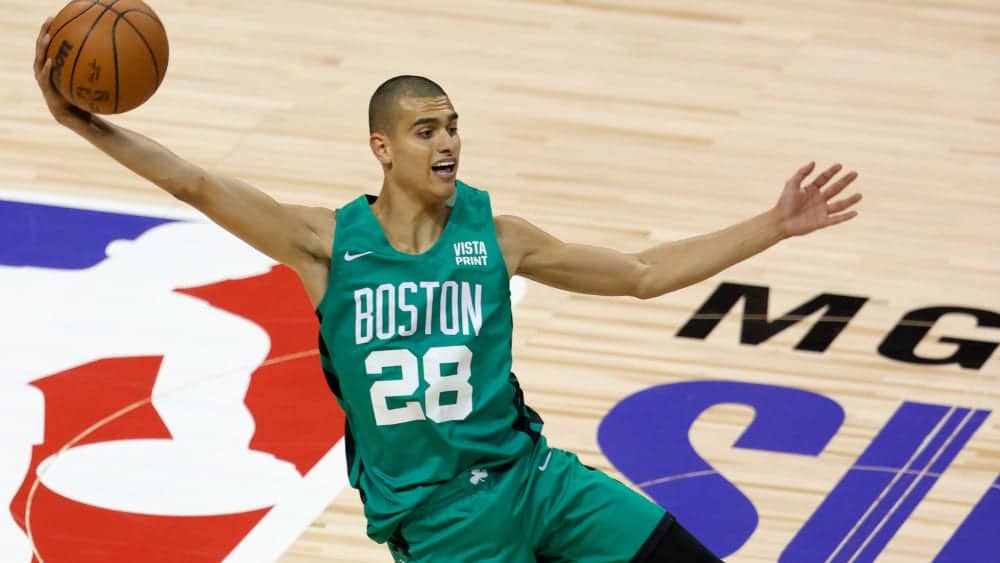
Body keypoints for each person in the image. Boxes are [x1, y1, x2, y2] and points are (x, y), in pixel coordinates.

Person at [33, 15, 860, 562]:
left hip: (538, 481)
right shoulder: (327, 246)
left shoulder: (497, 236)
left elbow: (642, 275)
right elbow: (194, 182)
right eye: (425, 129)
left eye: (454, 126)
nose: (447, 143)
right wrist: (83, 122)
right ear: (382, 147)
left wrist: (771, 224)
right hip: (441, 524)